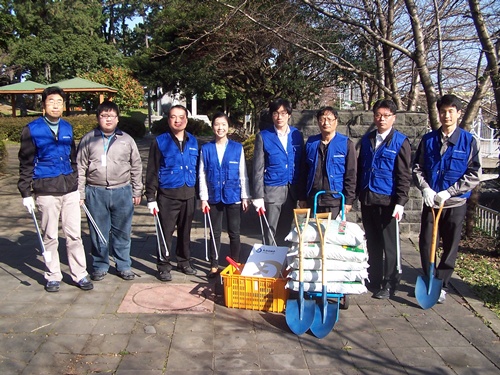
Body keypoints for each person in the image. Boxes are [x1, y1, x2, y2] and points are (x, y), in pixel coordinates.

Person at [18, 86, 93, 292]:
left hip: (69, 189)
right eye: (51, 101)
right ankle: (52, 275)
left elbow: (74, 159)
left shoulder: (68, 128)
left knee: (74, 235)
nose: (55, 105)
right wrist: (25, 192)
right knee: (50, 236)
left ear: (63, 105)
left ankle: (80, 273)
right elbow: (25, 162)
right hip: (46, 189)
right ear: (44, 105)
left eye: (59, 102)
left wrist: (78, 187)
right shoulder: (31, 129)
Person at [413, 94, 481, 303]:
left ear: (459, 114)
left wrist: (450, 192)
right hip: (432, 201)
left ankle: (441, 284)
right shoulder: (428, 140)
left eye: (451, 111)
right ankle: (429, 278)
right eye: (443, 111)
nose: (446, 115)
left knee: (450, 244)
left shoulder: (469, 141)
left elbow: (474, 174)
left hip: (455, 203)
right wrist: (425, 189)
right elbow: (417, 168)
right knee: (426, 242)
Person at [76, 100, 143, 281]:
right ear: (98, 118)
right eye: (104, 116)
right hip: (95, 192)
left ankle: (123, 265)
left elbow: (136, 166)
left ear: (117, 119)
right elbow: (80, 168)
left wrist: (137, 190)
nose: (107, 120)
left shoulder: (126, 140)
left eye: (111, 116)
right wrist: (80, 194)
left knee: (122, 231)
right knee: (99, 231)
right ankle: (100, 265)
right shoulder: (88, 139)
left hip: (122, 191)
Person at [357, 99, 412, 299]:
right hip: (368, 198)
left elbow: (404, 175)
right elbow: (361, 168)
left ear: (393, 118)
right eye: (378, 115)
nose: (382, 119)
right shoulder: (367, 139)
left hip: (388, 201)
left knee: (390, 245)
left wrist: (401, 202)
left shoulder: (400, 142)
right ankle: (375, 278)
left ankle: (390, 283)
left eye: (386, 115)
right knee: (372, 242)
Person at [145, 104, 198, 281]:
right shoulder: (160, 141)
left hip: (189, 193)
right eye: (174, 117)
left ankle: (184, 261)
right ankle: (163, 265)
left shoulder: (193, 141)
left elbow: (198, 168)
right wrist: (150, 197)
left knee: (186, 232)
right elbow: (152, 170)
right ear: (168, 120)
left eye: (181, 117)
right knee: (165, 232)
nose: (178, 120)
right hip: (167, 195)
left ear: (186, 120)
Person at [199, 112, 250, 277]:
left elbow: (243, 173)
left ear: (228, 127)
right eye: (217, 124)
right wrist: (203, 198)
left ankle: (235, 265)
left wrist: (245, 196)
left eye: (223, 124)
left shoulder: (237, 148)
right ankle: (214, 265)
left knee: (234, 233)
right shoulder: (206, 149)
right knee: (215, 232)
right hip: (213, 196)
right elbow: (202, 174)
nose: (220, 128)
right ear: (212, 126)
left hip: (233, 195)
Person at [252, 98, 304, 246]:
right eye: (275, 113)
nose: (279, 117)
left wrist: (301, 193)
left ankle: (284, 263)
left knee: (287, 231)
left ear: (289, 114)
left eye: (283, 113)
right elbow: (257, 168)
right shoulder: (263, 136)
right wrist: (258, 196)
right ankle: (269, 264)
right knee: (270, 230)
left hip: (291, 191)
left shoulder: (296, 135)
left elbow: (301, 164)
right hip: (272, 190)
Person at [299, 106, 357, 219]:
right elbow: (303, 172)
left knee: (332, 234)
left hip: (334, 200)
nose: (326, 123)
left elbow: (351, 174)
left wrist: (349, 200)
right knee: (313, 234)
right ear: (318, 121)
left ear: (336, 121)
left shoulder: (346, 144)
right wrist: (302, 197)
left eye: (330, 119)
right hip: (313, 198)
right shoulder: (311, 143)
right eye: (322, 119)